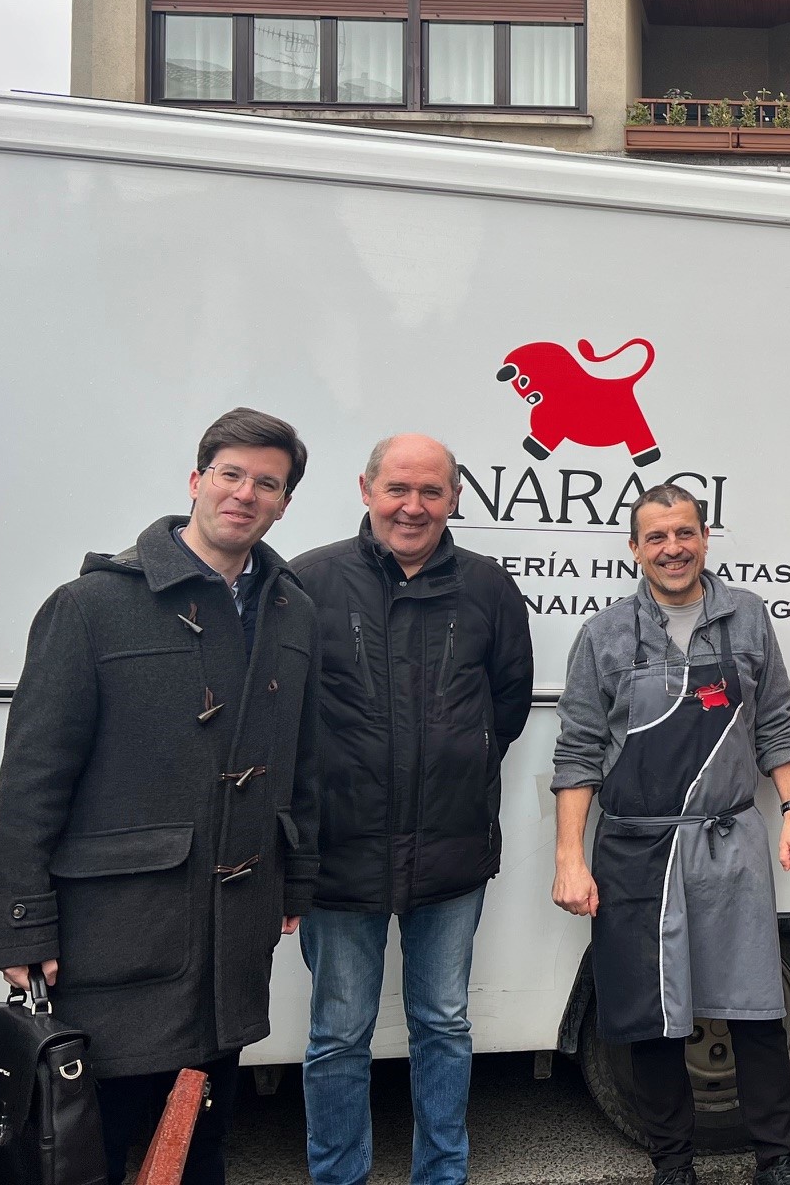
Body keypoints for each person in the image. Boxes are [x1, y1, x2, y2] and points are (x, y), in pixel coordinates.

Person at [0, 408, 321, 1185]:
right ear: (196, 480)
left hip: (232, 936)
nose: (245, 493)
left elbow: (300, 762)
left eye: (267, 483)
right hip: (116, 936)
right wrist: (22, 925)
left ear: (284, 504)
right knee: (89, 1153)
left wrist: (295, 879)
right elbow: (32, 781)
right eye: (231, 473)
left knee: (197, 1145)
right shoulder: (89, 606)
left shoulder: (293, 611)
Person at [551, 484, 790, 1185]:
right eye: (656, 537)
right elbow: (577, 751)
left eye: (684, 533)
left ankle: (778, 1158)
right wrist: (569, 857)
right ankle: (673, 1165)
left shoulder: (747, 618)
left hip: (728, 839)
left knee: (754, 1006)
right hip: (637, 849)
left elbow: (776, 723)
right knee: (652, 1013)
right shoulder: (605, 634)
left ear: (704, 537)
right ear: (635, 549)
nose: (673, 548)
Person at [291, 434, 535, 1185]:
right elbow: (285, 712)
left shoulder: (488, 586)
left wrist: (456, 765)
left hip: (451, 849)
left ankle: (442, 1174)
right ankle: (339, 1177)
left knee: (443, 1024)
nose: (413, 506)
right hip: (341, 852)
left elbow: (508, 703)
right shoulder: (308, 581)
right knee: (338, 1035)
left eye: (432, 491)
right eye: (398, 488)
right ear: (366, 490)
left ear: (454, 499)